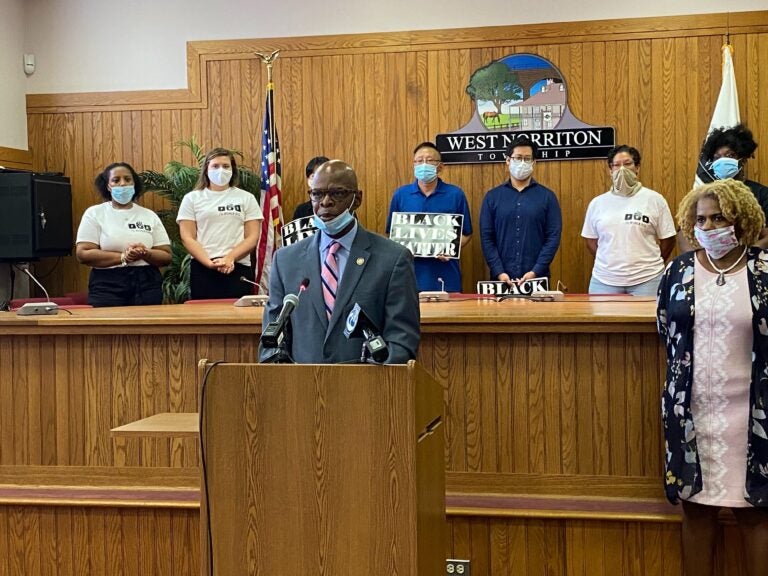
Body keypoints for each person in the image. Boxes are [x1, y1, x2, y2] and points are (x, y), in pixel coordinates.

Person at [657, 178, 768, 576]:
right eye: (701, 220)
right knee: (696, 511)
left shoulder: (764, 270)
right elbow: (666, 327)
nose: (709, 227)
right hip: (692, 411)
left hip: (753, 415)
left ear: (742, 219)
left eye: (718, 218)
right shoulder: (679, 270)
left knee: (754, 515)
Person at [260, 160, 420, 364]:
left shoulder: (393, 258)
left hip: (366, 388)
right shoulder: (285, 260)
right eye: (317, 194)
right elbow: (270, 341)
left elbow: (402, 339)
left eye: (337, 193)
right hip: (302, 388)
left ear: (357, 198)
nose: (325, 202)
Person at [581, 145, 676, 295]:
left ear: (637, 167)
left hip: (648, 280)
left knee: (648, 319)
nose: (622, 169)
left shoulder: (655, 200)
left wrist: (651, 263)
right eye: (616, 165)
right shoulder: (597, 203)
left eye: (627, 164)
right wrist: (610, 262)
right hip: (604, 281)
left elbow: (669, 239)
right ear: (610, 171)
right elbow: (590, 240)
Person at [75, 162, 172, 307]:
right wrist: (123, 257)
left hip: (147, 283)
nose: (122, 184)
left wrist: (145, 253)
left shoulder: (149, 215)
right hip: (107, 284)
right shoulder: (95, 213)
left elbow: (166, 256)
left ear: (134, 184)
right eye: (116, 180)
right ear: (108, 186)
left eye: (127, 179)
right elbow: (83, 253)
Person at [385, 142, 472, 292]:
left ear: (440, 167)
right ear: (413, 165)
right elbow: (390, 234)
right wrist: (403, 251)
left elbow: (467, 234)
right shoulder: (401, 195)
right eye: (419, 161)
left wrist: (451, 248)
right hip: (408, 277)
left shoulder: (456, 194)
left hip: (446, 277)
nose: (423, 164)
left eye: (430, 160)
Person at [177, 148, 263, 299]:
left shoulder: (246, 198)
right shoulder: (192, 198)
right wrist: (209, 263)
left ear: (233, 170)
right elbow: (187, 237)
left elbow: (252, 237)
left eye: (226, 166)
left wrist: (230, 258)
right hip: (203, 268)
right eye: (215, 166)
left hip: (237, 266)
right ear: (206, 170)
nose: (221, 170)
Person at [480, 137, 562, 284]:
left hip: (537, 279)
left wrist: (536, 271)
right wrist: (499, 272)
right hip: (500, 280)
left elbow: (552, 238)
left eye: (527, 158)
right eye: (518, 158)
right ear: (508, 161)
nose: (522, 163)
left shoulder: (547, 197)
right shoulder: (492, 197)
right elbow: (487, 238)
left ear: (534, 163)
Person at [680, 123, 768, 251]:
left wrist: (742, 257)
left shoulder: (762, 194)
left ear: (742, 159)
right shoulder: (704, 194)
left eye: (730, 155)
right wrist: (702, 257)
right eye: (717, 157)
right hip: (710, 264)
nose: (722, 160)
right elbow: (683, 233)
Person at [291, 155, 330, 221]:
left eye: (323, 175)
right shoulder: (301, 211)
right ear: (308, 181)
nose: (318, 180)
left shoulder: (342, 208)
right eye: (313, 176)